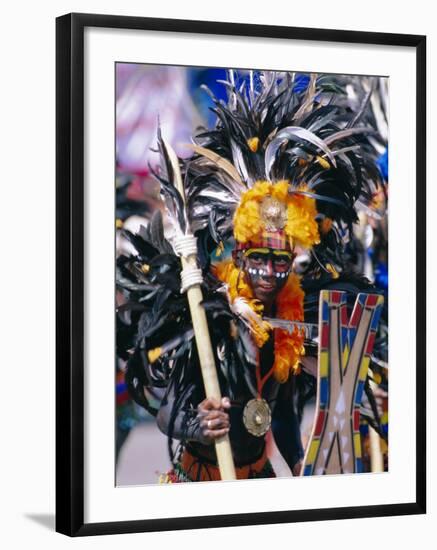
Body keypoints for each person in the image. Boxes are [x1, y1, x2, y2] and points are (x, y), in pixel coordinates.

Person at [117, 70, 388, 481]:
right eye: (258, 256)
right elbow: (167, 411)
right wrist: (197, 424)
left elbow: (280, 413)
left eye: (280, 260)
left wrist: (297, 462)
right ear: (240, 253)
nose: (269, 271)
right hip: (203, 481)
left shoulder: (288, 320)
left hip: (260, 478)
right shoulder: (208, 314)